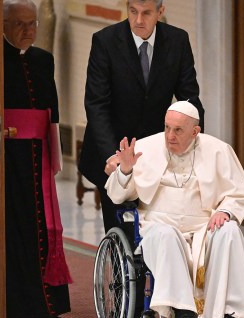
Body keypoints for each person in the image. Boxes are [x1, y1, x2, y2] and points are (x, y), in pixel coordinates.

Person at [105, 101, 244, 318]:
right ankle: (184, 316)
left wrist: (225, 211)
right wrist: (124, 170)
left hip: (204, 227)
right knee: (166, 234)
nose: (170, 136)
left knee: (230, 231)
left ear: (195, 132)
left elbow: (239, 193)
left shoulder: (218, 150)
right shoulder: (146, 148)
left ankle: (228, 317)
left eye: (178, 130)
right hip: (159, 224)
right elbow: (117, 194)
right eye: (167, 128)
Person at [79, 0, 204, 233]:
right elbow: (97, 105)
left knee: (158, 230)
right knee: (122, 231)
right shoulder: (105, 41)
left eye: (146, 13)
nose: (138, 20)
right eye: (133, 12)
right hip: (113, 150)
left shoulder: (177, 41)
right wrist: (112, 156)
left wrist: (195, 146)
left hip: (157, 152)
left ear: (160, 12)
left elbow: (190, 100)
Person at [3, 0, 71, 318]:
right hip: (6, 159)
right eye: (20, 24)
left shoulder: (44, 59)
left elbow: (52, 113)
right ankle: (13, 307)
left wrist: (54, 156)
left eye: (33, 24)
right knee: (13, 230)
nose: (29, 30)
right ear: (2, 25)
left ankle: (44, 307)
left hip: (37, 157)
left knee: (43, 228)